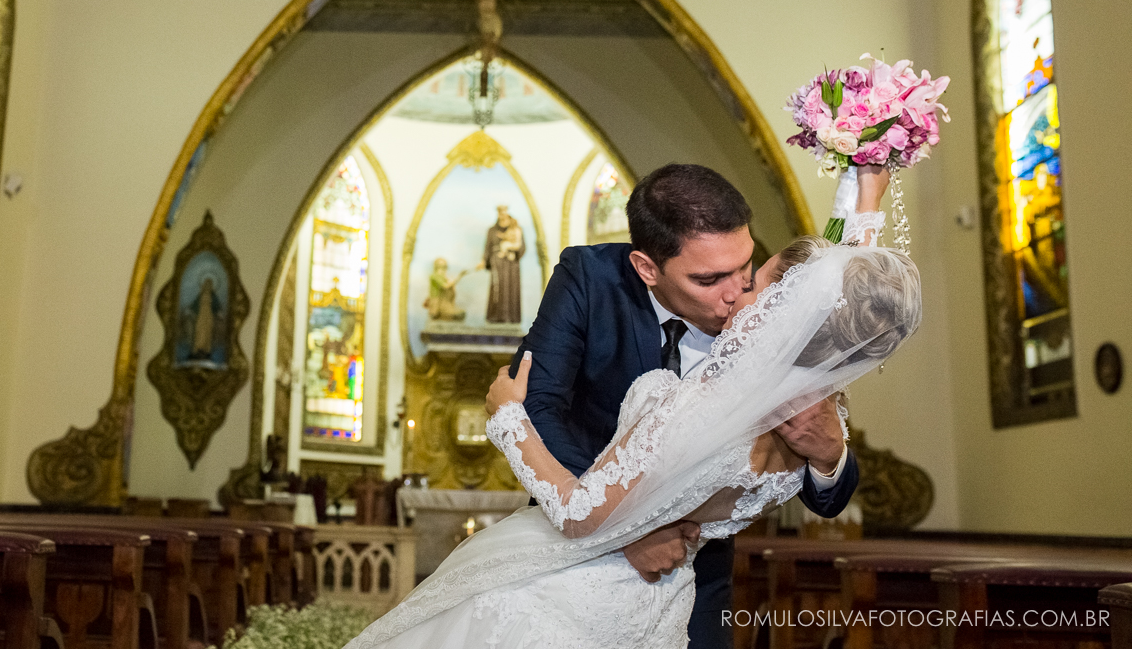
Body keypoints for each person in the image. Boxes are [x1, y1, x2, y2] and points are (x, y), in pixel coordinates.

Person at [346, 221, 920, 649]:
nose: (735, 294)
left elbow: (579, 513)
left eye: (753, 284)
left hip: (584, 597)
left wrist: (506, 419)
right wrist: (867, 174)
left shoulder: (710, 409)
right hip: (650, 607)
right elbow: (850, 305)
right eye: (723, 279)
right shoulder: (817, 404)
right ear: (650, 266)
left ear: (785, 313)